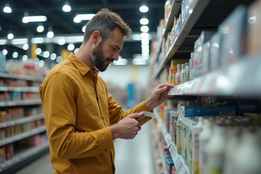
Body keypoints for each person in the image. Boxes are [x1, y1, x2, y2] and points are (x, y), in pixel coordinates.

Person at [39, 8, 174, 174]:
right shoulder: (61, 78)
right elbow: (62, 145)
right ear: (95, 38)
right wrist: (114, 132)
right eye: (114, 48)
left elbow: (118, 117)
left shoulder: (97, 81)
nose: (117, 57)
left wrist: (150, 103)